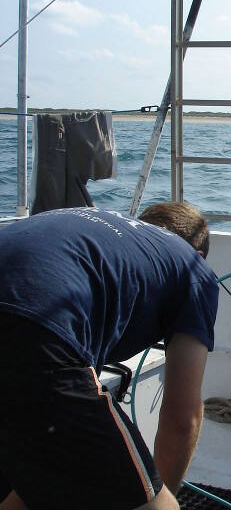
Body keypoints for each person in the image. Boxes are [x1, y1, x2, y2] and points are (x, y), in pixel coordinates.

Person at [0, 202, 219, 510]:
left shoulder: (100, 237)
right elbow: (182, 420)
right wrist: (155, 494)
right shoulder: (194, 270)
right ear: (200, 256)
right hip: (36, 335)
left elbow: (51, 444)